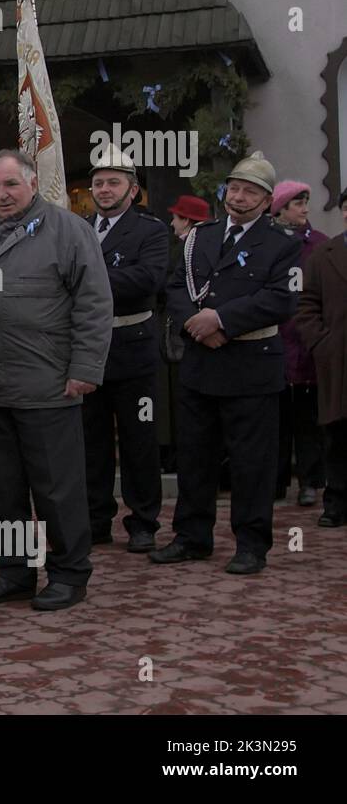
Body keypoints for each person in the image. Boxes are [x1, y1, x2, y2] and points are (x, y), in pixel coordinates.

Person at [0, 149, 112, 611]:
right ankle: (13, 571)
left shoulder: (69, 230)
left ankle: (70, 574)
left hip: (48, 385)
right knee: (2, 491)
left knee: (57, 489)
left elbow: (94, 304)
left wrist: (85, 369)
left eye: (10, 185)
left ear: (32, 185)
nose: (1, 194)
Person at [154, 152, 301, 574]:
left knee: (251, 463)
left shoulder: (283, 244)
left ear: (267, 200)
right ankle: (191, 536)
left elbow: (281, 299)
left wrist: (221, 320)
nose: (238, 197)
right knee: (195, 456)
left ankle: (251, 545)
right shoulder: (200, 237)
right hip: (201, 363)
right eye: (234, 188)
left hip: (251, 366)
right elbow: (175, 285)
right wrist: (196, 325)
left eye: (249, 191)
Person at [81, 149, 169, 551]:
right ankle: (95, 518)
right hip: (86, 349)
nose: (104, 189)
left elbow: (147, 279)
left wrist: (86, 284)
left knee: (139, 440)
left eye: (113, 182)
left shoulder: (150, 231)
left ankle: (143, 522)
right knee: (90, 441)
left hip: (133, 350)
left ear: (132, 190)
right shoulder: (78, 227)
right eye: (98, 182)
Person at [270, 181, 329, 506]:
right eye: (297, 203)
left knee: (308, 421)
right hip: (274, 343)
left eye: (306, 202)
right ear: (279, 209)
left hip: (306, 344)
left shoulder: (319, 245)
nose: (304, 209)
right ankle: (276, 481)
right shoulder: (269, 242)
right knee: (276, 421)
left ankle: (310, 481)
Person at [295, 188, 347, 528]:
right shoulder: (323, 254)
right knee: (339, 434)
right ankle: (337, 503)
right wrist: (323, 344)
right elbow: (306, 306)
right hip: (339, 359)